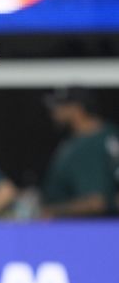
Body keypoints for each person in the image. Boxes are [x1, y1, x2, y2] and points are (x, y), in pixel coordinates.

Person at [41, 87, 119, 217]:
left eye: (60, 106)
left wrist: (49, 211)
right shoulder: (110, 133)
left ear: (76, 109)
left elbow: (94, 203)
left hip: (90, 229)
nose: (54, 112)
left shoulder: (87, 143)